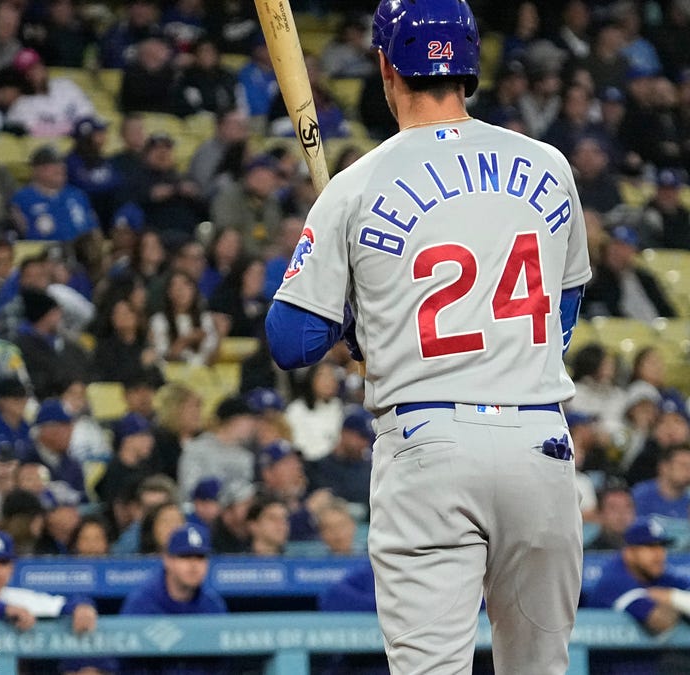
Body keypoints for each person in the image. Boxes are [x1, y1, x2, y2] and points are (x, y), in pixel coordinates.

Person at [265, 2, 589, 673]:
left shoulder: (356, 184)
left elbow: (290, 339)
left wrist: (356, 316)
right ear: (471, 66)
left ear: (386, 66)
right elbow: (567, 302)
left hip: (428, 442)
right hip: (541, 441)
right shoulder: (548, 163)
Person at [118, 522, 227, 675]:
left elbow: (220, 665)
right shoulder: (142, 602)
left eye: (200, 557)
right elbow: (126, 662)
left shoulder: (213, 604)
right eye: (185, 556)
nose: (194, 565)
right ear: (167, 559)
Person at [584, 517, 690, 672]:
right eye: (650, 547)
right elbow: (660, 620)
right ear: (629, 552)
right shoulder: (614, 578)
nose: (659, 554)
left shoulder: (658, 576)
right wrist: (678, 604)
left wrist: (670, 596)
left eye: (661, 546)